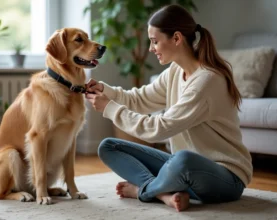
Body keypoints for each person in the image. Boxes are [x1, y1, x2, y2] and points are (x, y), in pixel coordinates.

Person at [85, 4, 252, 212]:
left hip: (226, 178)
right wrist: (106, 90)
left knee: (183, 160)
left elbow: (161, 128)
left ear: (176, 38)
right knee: (109, 146)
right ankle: (165, 191)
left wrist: (109, 109)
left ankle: (145, 191)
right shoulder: (175, 71)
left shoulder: (207, 81)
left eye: (155, 41)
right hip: (184, 171)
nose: (150, 48)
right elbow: (140, 99)